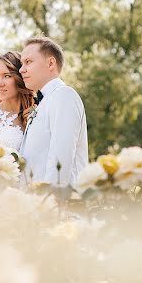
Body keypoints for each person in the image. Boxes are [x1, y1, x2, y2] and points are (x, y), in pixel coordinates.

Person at [18, 36, 88, 186]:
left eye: (28, 62)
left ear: (50, 63)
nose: (21, 69)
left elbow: (60, 160)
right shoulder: (45, 102)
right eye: (21, 64)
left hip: (56, 203)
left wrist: (48, 203)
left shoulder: (64, 95)